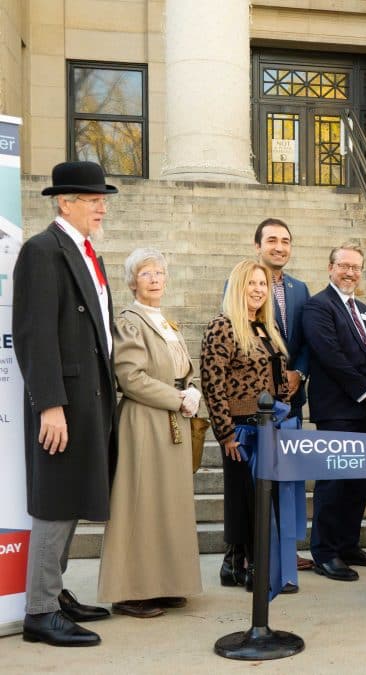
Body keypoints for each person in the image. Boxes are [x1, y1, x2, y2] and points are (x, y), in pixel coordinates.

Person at [14, 161, 118, 647]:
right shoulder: (42, 251)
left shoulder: (83, 249)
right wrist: (50, 405)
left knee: (75, 495)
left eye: (102, 198)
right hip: (65, 401)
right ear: (64, 202)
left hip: (91, 395)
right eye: (91, 197)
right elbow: (35, 334)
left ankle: (55, 594)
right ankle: (39, 610)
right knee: (56, 500)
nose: (101, 205)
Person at [97, 249, 203, 617]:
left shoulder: (165, 322)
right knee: (139, 505)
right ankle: (131, 591)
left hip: (173, 418)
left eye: (160, 272)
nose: (155, 279)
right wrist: (178, 397)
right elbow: (130, 377)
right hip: (144, 420)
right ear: (132, 282)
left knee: (167, 505)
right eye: (147, 274)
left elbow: (181, 369)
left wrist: (191, 389)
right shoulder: (129, 321)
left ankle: (166, 582)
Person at [301, 242, 366, 582]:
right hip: (338, 409)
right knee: (335, 483)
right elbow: (330, 355)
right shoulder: (318, 307)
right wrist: (365, 390)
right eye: (344, 266)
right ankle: (325, 552)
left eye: (356, 267)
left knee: (359, 482)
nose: (350, 272)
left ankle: (348, 544)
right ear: (330, 268)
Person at [201, 259, 292, 594]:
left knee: (261, 498)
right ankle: (243, 563)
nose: (258, 290)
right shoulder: (222, 327)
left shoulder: (268, 329)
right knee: (244, 498)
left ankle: (236, 563)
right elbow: (213, 383)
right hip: (239, 429)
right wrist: (224, 433)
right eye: (251, 284)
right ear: (238, 288)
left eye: (263, 284)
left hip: (269, 427)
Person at [252, 218, 320, 578]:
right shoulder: (243, 282)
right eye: (272, 240)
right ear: (257, 246)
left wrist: (299, 373)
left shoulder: (299, 288)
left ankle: (288, 552)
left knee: (290, 480)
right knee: (264, 478)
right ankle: (259, 553)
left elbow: (307, 339)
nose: (279, 247)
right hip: (259, 404)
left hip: (293, 398)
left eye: (285, 241)